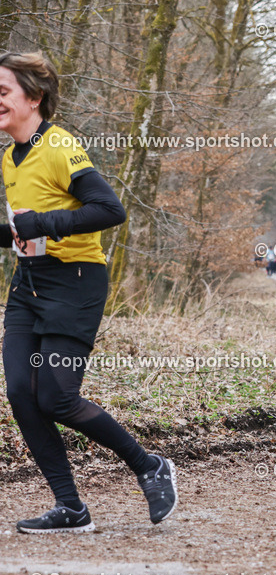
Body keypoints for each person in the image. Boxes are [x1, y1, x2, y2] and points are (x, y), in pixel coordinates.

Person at [0, 51, 177, 532]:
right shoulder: (8, 158)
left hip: (76, 282)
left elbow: (109, 209)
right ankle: (71, 508)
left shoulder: (59, 146)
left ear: (33, 98)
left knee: (56, 397)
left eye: (3, 92)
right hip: (28, 286)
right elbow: (26, 229)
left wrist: (47, 223)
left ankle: (149, 466)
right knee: (20, 392)